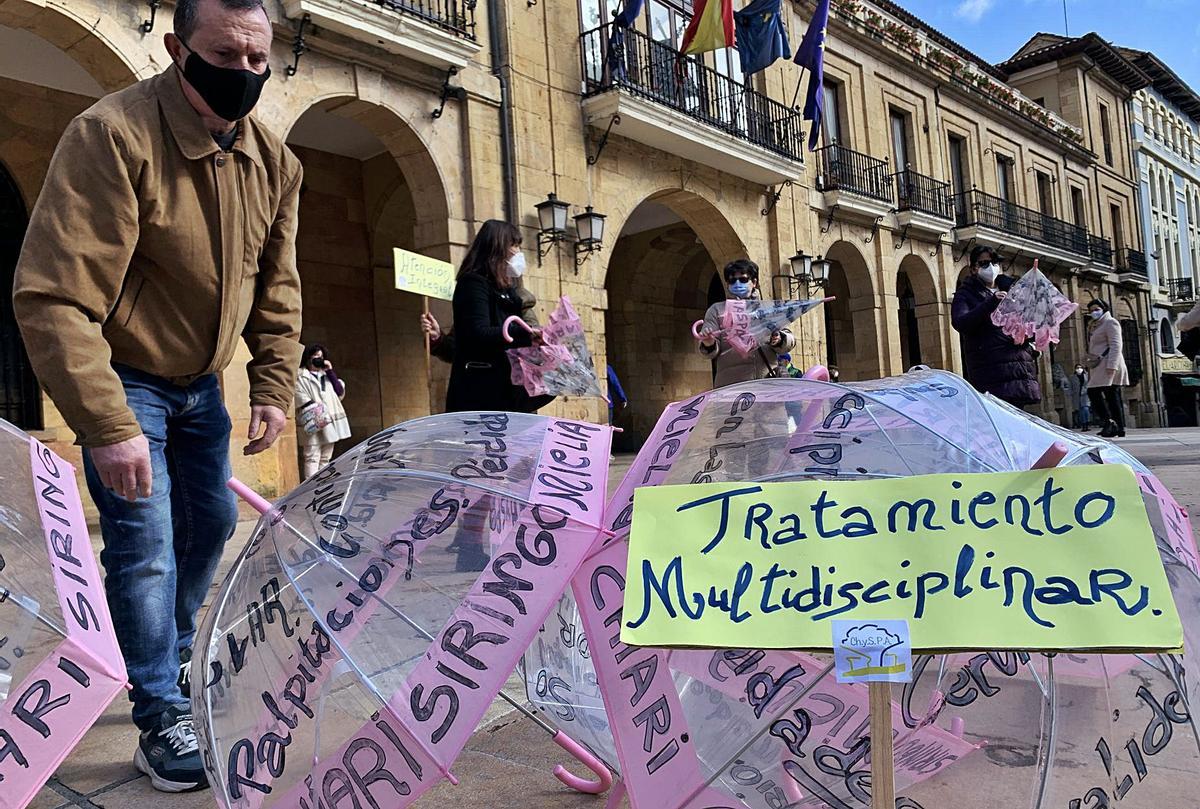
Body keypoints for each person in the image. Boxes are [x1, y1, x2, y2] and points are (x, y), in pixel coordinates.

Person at [10, 0, 300, 792]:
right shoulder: (111, 135)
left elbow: (278, 287)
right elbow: (53, 298)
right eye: (225, 54)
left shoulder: (277, 162)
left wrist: (273, 381)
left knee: (212, 520)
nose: (244, 73)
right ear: (176, 48)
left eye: (257, 58)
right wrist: (106, 422)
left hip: (203, 383)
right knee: (146, 540)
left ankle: (154, 644)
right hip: (125, 375)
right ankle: (160, 713)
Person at [951, 245, 1040, 408]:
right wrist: (990, 303)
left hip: (1018, 370)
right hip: (992, 373)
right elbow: (961, 322)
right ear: (973, 269)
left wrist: (1029, 336)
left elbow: (1028, 323)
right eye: (984, 263)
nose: (991, 268)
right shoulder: (966, 294)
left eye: (994, 262)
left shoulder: (1012, 290)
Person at [698, 259, 796, 387]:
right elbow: (708, 351)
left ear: (754, 282)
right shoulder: (717, 310)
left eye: (743, 280)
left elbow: (789, 341)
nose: (737, 283)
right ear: (727, 284)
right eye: (732, 280)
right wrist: (708, 343)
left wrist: (779, 339)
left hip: (766, 384)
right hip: (731, 386)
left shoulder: (768, 308)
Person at [295, 344, 350, 478]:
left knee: (326, 457)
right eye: (315, 357)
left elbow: (339, 392)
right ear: (308, 358)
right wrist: (315, 409)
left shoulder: (326, 375)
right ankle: (311, 488)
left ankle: (322, 485)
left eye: (321, 357)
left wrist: (330, 371)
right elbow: (297, 395)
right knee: (312, 456)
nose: (318, 360)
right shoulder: (300, 375)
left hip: (329, 420)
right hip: (312, 420)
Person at [1084, 299, 1130, 438]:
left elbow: (1116, 345)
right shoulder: (1094, 325)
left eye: (1097, 309)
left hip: (1108, 365)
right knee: (1110, 396)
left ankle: (1111, 423)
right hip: (1100, 365)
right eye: (1091, 310)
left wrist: (1112, 366)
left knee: (1096, 393)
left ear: (1104, 309)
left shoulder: (1111, 323)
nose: (1094, 312)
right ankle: (1116, 426)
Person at [1070, 362, 1091, 431]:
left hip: (1085, 395)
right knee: (1081, 411)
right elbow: (1070, 386)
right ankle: (1084, 425)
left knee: (1085, 409)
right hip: (1077, 396)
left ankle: (1087, 423)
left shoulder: (1086, 375)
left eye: (1080, 367)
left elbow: (1089, 384)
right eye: (1077, 368)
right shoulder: (1072, 377)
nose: (1079, 369)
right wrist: (1070, 393)